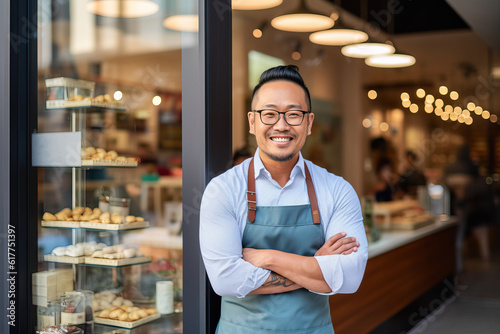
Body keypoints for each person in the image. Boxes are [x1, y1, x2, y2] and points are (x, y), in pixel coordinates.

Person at [200, 65, 368, 333]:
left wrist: (268, 258)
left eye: (293, 114)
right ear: (252, 122)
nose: (281, 125)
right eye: (269, 114)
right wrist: (317, 266)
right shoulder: (223, 189)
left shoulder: (337, 189)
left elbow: (348, 278)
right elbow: (225, 280)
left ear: (309, 123)